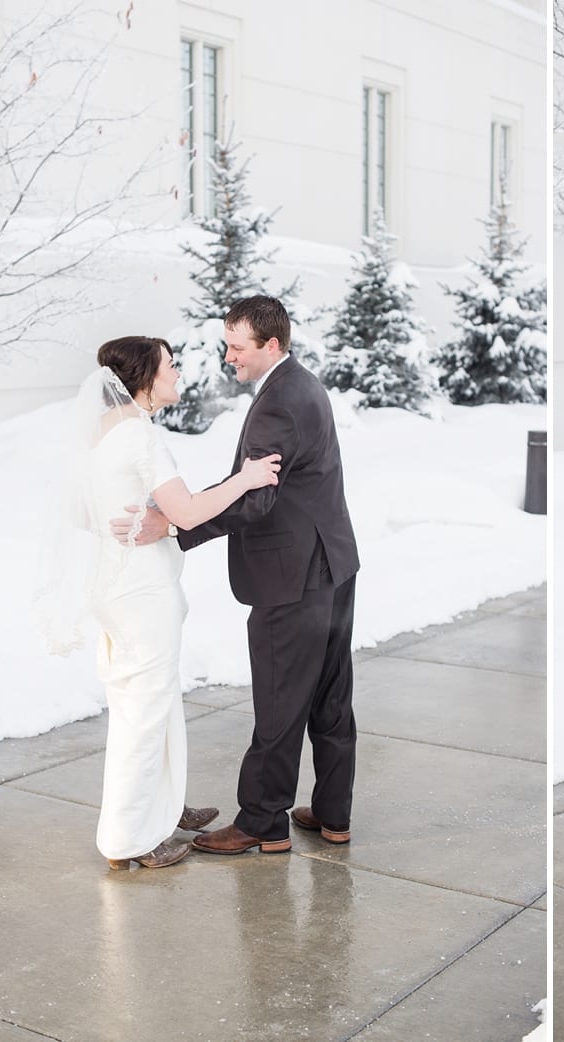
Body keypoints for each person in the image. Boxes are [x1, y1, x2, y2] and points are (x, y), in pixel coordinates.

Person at [111, 295, 362, 857]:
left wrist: (175, 527)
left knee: (279, 700)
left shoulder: (278, 402)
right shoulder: (303, 384)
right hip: (333, 565)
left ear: (270, 344)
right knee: (330, 698)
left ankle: (262, 822)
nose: (229, 357)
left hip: (292, 575)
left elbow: (256, 500)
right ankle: (332, 813)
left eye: (237, 347)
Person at [38, 336, 281, 869]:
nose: (179, 373)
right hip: (143, 592)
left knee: (153, 700)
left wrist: (125, 523)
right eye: (171, 365)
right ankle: (129, 839)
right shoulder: (140, 438)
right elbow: (189, 513)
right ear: (146, 376)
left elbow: (81, 511)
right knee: (143, 712)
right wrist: (247, 478)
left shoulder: (101, 435)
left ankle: (162, 808)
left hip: (116, 585)